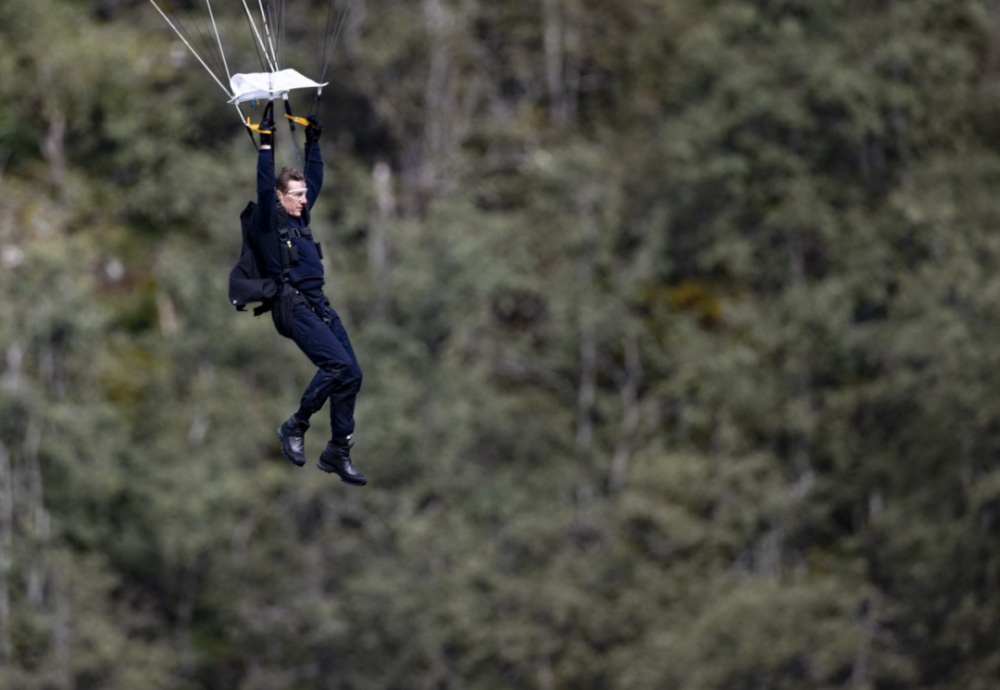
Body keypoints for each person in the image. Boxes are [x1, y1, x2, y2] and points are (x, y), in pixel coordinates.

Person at [247, 113, 366, 486]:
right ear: (281, 198)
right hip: (289, 304)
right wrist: (266, 144)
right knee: (335, 365)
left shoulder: (301, 219)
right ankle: (294, 426)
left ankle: (337, 451)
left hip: (317, 303)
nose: (303, 199)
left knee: (351, 374)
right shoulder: (270, 221)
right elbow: (265, 187)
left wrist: (313, 141)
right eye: (295, 195)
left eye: (303, 195)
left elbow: (314, 179)